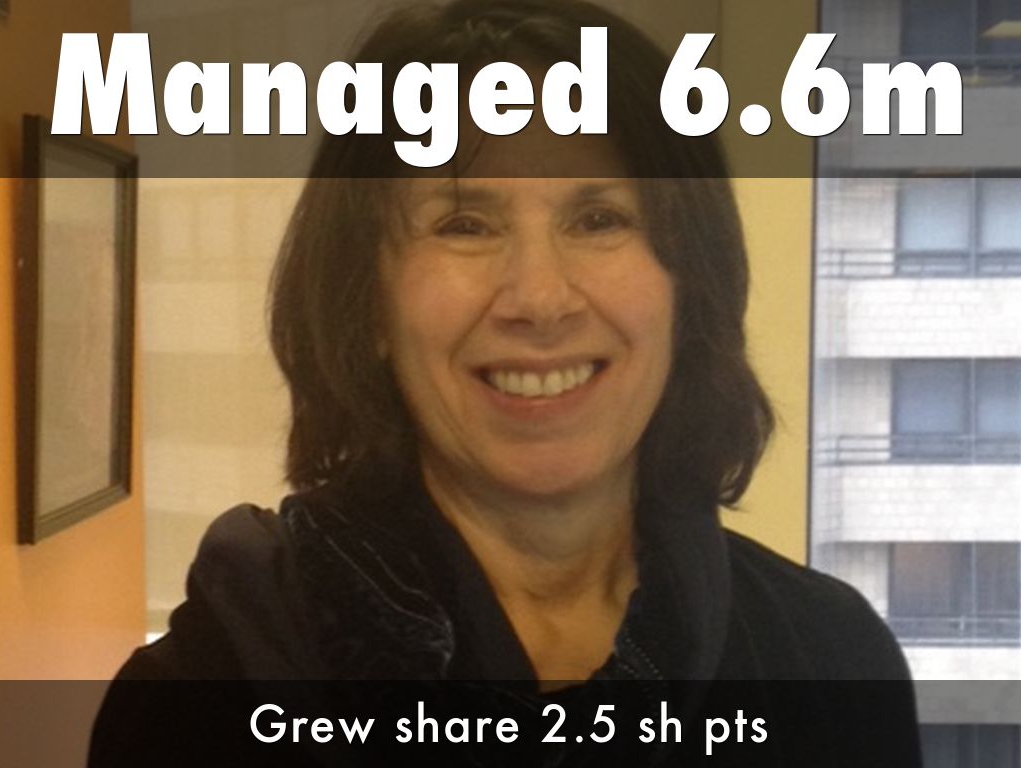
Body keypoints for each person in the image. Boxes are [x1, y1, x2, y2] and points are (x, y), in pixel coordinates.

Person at [91, 1, 921, 765]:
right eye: (465, 223)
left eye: (598, 218)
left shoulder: (831, 660)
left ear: (688, 285)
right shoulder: (200, 702)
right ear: (367, 300)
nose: (540, 299)